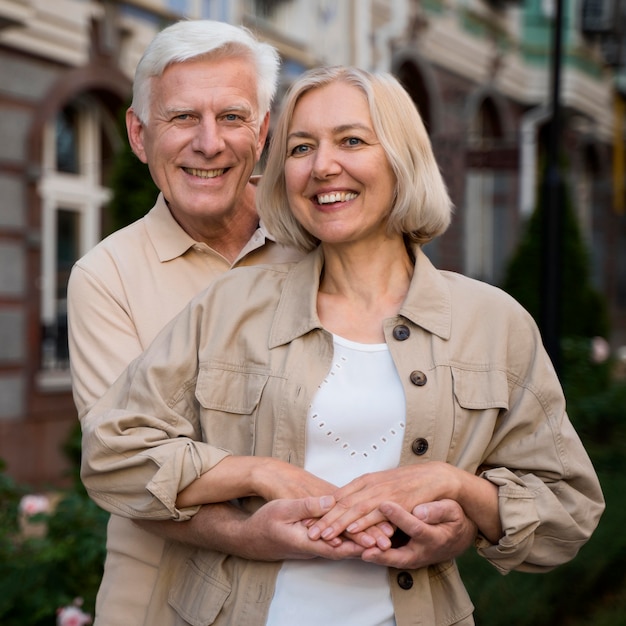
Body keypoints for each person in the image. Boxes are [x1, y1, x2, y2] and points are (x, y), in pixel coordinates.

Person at [79, 65, 605, 625]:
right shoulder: (231, 306)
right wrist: (256, 473)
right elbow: (113, 452)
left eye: (352, 140)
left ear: (401, 160)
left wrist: (461, 494)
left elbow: (566, 513)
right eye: (301, 148)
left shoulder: (492, 322)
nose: (323, 166)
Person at [69, 22, 476, 626]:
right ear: (138, 133)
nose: (209, 144)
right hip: (159, 600)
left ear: (263, 133)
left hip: (362, 595)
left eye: (233, 117)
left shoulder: (334, 229)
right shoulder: (105, 277)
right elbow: (127, 468)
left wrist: (459, 518)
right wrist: (257, 511)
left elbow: (434, 420)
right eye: (182, 117)